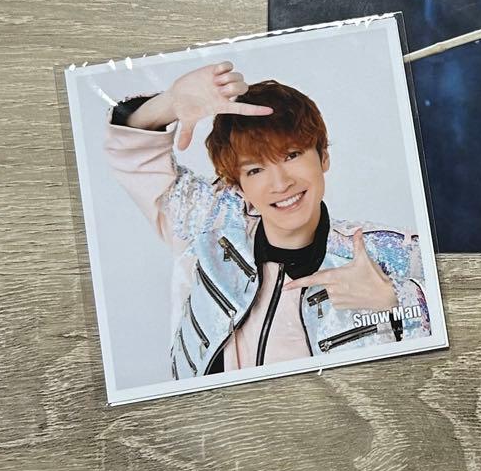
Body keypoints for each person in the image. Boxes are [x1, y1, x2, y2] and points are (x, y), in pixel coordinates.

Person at [104, 62, 430, 379]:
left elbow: (452, 333)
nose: (280, 183)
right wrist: (170, 103)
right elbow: (134, 156)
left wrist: (396, 299)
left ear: (323, 157)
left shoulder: (387, 253)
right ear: (238, 185)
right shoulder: (209, 222)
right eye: (255, 169)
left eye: (292, 155)